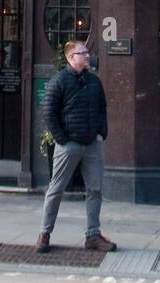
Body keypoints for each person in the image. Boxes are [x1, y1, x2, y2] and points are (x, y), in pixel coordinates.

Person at [36, 41, 116, 254]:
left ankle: (93, 235)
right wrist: (62, 139)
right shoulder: (59, 81)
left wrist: (101, 133)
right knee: (56, 189)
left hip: (92, 144)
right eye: (83, 53)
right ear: (72, 58)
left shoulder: (94, 81)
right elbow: (48, 111)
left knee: (95, 190)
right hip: (69, 144)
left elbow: (102, 108)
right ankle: (44, 233)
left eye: (88, 52)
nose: (87, 56)